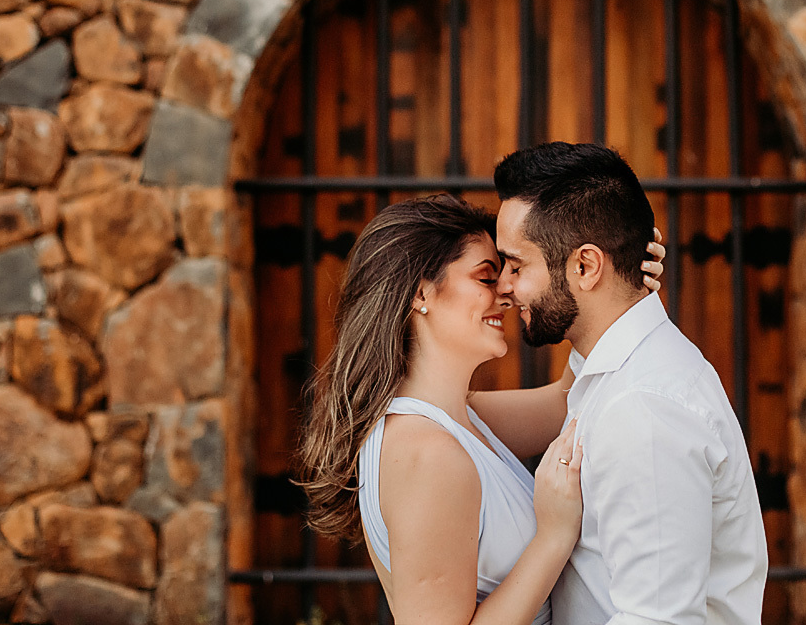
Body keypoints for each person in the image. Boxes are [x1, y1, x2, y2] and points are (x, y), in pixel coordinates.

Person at [299, 194, 665, 624]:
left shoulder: (462, 419)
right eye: (485, 277)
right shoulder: (426, 454)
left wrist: (619, 286)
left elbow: (570, 399)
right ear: (421, 292)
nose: (507, 293)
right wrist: (552, 536)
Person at [491, 141, 768, 625]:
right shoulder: (612, 372)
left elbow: (659, 620)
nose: (504, 287)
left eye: (517, 266)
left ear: (585, 266)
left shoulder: (643, 408)